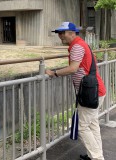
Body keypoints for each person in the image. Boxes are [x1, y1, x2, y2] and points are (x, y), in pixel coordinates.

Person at [45, 22, 106, 160]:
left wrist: (54, 73)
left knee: (82, 127)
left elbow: (73, 68)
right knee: (92, 125)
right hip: (95, 91)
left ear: (72, 33)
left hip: (90, 94)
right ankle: (96, 155)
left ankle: (97, 157)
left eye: (62, 33)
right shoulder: (81, 44)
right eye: (58, 33)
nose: (60, 36)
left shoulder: (77, 46)